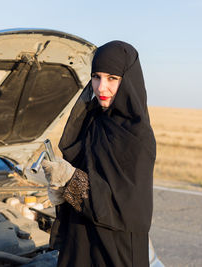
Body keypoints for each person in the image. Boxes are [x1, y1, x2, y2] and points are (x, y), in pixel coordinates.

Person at [41, 41, 156, 267]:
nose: (101, 87)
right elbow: (83, 174)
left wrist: (69, 181)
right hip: (80, 240)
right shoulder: (93, 119)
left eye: (112, 78)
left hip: (114, 250)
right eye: (96, 76)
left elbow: (121, 208)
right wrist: (62, 190)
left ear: (128, 81)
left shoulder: (137, 137)